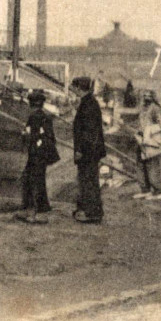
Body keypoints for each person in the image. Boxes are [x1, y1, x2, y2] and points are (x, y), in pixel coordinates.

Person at [16, 89, 59, 223]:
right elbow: (50, 137)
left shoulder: (34, 117)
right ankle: (41, 210)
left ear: (31, 104)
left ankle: (32, 213)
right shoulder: (46, 116)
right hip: (44, 153)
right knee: (38, 180)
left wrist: (24, 134)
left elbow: (31, 136)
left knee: (30, 181)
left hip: (36, 153)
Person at [70, 77, 106, 224]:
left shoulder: (88, 104)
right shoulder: (88, 102)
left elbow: (89, 132)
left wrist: (80, 150)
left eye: (73, 86)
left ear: (79, 88)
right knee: (86, 180)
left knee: (88, 181)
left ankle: (92, 213)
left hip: (88, 151)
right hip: (90, 150)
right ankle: (85, 209)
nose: (72, 89)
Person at [133, 90, 161, 200]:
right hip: (141, 140)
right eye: (144, 95)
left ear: (153, 97)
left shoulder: (155, 108)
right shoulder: (143, 108)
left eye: (148, 95)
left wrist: (149, 131)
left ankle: (158, 191)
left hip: (151, 141)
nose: (146, 97)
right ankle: (145, 190)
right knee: (140, 164)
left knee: (152, 165)